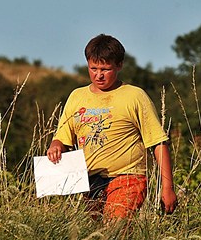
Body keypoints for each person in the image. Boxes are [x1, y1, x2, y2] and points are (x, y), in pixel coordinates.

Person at [46, 34, 178, 221]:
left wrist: (167, 187)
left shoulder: (134, 96)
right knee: (96, 238)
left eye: (105, 69)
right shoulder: (77, 97)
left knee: (114, 228)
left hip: (128, 177)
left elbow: (158, 142)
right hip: (91, 181)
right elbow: (63, 138)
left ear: (119, 65)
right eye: (93, 68)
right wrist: (56, 147)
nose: (98, 75)